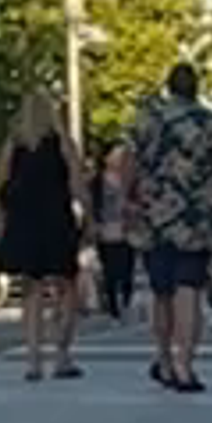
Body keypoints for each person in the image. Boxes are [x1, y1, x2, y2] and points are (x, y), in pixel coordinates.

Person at [124, 54, 212, 389]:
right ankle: (185, 363)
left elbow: (128, 160)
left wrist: (129, 199)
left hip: (155, 216)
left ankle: (162, 357)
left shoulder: (148, 120)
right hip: (196, 218)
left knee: (161, 292)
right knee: (188, 290)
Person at [0, 87, 87, 380]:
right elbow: (77, 183)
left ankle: (33, 359)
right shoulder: (62, 143)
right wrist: (89, 216)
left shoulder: (14, 145)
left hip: (23, 223)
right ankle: (62, 354)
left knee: (31, 289)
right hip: (56, 221)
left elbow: (0, 183)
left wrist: (2, 221)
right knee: (66, 285)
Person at [87, 130, 142, 322]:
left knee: (127, 269)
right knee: (110, 270)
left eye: (122, 155)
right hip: (106, 230)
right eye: (115, 154)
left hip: (127, 230)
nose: (119, 159)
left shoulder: (132, 180)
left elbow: (140, 202)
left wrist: (134, 210)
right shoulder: (96, 182)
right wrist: (93, 224)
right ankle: (112, 307)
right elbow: (91, 205)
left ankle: (125, 301)